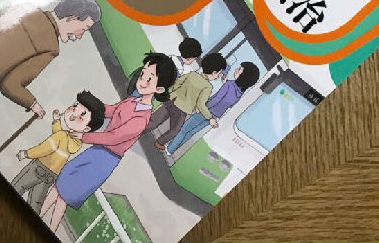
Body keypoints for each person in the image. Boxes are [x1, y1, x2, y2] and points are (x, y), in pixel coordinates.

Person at [39, 52, 177, 232]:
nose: (142, 80)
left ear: (158, 89)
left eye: (149, 79)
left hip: (105, 159)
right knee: (61, 184)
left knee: (66, 194)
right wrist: (91, 105)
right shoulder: (132, 100)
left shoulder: (141, 118)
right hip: (97, 151)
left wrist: (85, 137)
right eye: (143, 74)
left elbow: (115, 137)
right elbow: (111, 110)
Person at [12, 91, 105, 213]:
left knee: (17, 187)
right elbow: (60, 138)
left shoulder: (61, 136)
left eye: (80, 116)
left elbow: (44, 148)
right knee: (35, 203)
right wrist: (56, 121)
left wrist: (26, 153)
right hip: (51, 176)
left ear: (86, 128)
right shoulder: (76, 142)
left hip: (38, 167)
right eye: (74, 106)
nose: (73, 114)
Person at [167, 61, 261, 154]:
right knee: (191, 132)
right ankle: (174, 148)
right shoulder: (240, 92)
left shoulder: (229, 84)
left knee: (185, 129)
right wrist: (225, 84)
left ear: (244, 76)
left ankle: (170, 149)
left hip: (207, 111)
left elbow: (216, 99)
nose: (237, 69)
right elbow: (229, 103)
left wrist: (202, 108)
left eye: (240, 69)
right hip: (216, 117)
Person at [152, 52, 227, 151]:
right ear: (214, 72)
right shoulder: (208, 87)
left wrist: (176, 93)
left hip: (172, 100)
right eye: (219, 73)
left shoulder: (192, 74)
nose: (219, 76)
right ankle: (159, 142)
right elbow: (201, 104)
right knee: (174, 130)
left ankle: (140, 128)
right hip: (182, 110)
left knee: (155, 119)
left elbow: (178, 83)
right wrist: (210, 118)